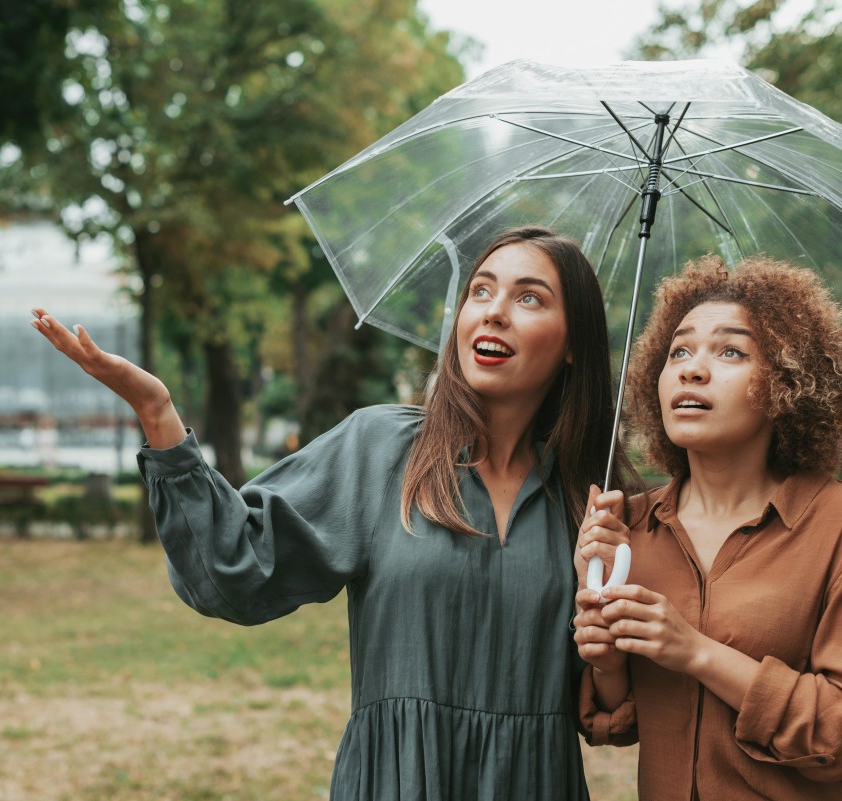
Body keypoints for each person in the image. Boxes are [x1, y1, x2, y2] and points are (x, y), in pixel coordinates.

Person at [32, 225, 635, 800]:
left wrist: (604, 621)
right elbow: (234, 568)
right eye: (481, 289)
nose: (493, 310)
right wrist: (158, 411)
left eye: (529, 298)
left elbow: (613, 711)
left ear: (574, 347)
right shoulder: (383, 451)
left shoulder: (595, 505)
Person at [572, 255, 842, 800]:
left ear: (790, 381)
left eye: (731, 351)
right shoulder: (626, 530)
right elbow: (616, 726)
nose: (692, 369)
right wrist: (609, 661)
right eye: (679, 351)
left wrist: (696, 652)